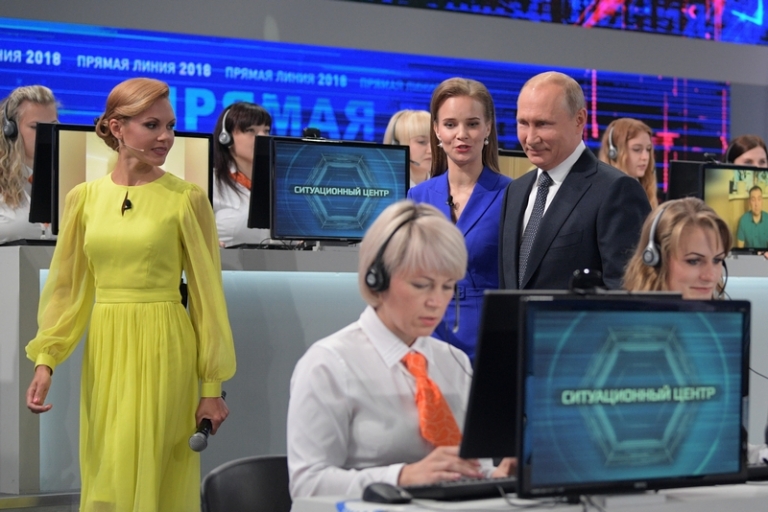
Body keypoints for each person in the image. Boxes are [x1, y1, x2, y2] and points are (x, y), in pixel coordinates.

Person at [25, 77, 236, 512]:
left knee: (159, 470)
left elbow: (207, 298)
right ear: (117, 128)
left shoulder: (187, 199)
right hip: (107, 347)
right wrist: (47, 359)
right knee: (108, 468)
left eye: (170, 126)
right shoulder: (83, 199)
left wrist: (212, 386)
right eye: (152, 125)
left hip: (165, 345)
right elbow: (68, 289)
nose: (166, 138)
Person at [287, 200, 513, 498]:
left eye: (447, 287)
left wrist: (496, 476)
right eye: (421, 285)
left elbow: (469, 467)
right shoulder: (328, 365)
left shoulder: (454, 362)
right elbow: (306, 485)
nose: (437, 302)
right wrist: (402, 476)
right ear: (376, 278)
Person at [623, 198, 768, 464]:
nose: (710, 276)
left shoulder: (723, 334)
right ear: (654, 260)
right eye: (694, 261)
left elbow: (726, 438)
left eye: (717, 261)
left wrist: (756, 454)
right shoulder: (615, 335)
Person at [499, 71, 651, 290]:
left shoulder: (617, 191)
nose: (530, 138)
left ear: (579, 120)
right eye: (523, 123)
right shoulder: (515, 191)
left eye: (543, 124)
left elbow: (626, 292)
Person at [407, 77, 511, 361]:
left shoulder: (512, 195)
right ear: (437, 130)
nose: (461, 134)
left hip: (489, 336)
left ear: (488, 127)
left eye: (472, 124)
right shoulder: (417, 196)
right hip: (427, 333)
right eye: (450, 124)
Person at [0, 85, 58, 244]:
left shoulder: (69, 181)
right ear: (11, 130)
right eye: (35, 127)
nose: (47, 134)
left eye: (53, 126)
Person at [212, 101, 273, 247]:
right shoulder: (210, 182)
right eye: (251, 130)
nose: (262, 137)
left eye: (266, 131)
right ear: (226, 137)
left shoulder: (280, 183)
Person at [598, 117, 658, 208]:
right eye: (637, 149)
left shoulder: (640, 191)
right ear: (614, 153)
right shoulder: (605, 195)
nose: (645, 157)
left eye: (648, 149)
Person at [383, 110, 432, 187]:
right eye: (422, 142)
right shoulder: (384, 187)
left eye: (436, 142)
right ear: (397, 145)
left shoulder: (446, 187)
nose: (431, 150)